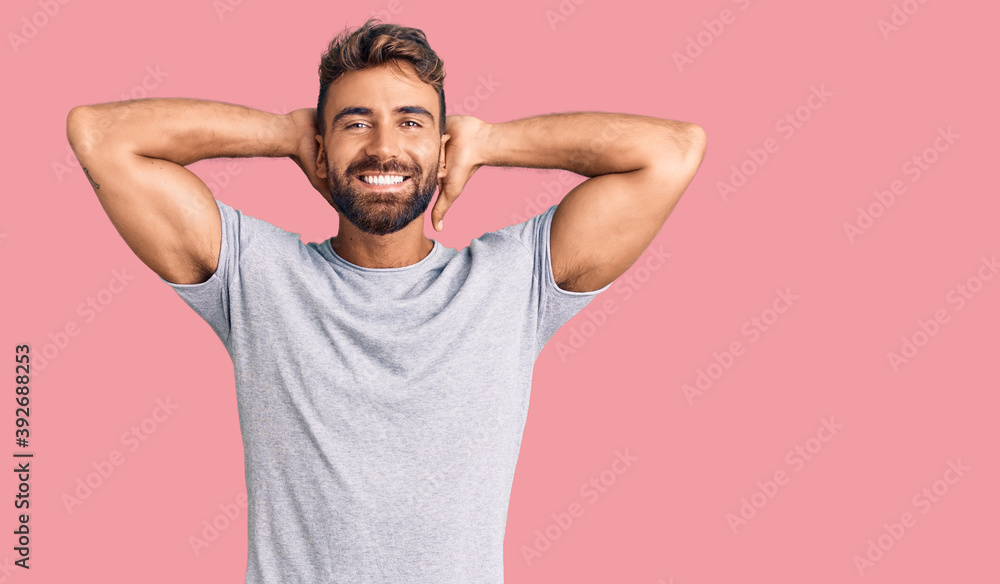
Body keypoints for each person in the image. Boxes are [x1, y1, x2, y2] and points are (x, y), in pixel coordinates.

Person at [66, 17, 705, 584]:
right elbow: (99, 136)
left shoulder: (512, 282)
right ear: (323, 147)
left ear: (441, 147)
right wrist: (284, 132)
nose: (383, 147)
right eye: (354, 122)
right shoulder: (257, 277)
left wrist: (491, 141)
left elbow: (673, 152)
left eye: (410, 121)